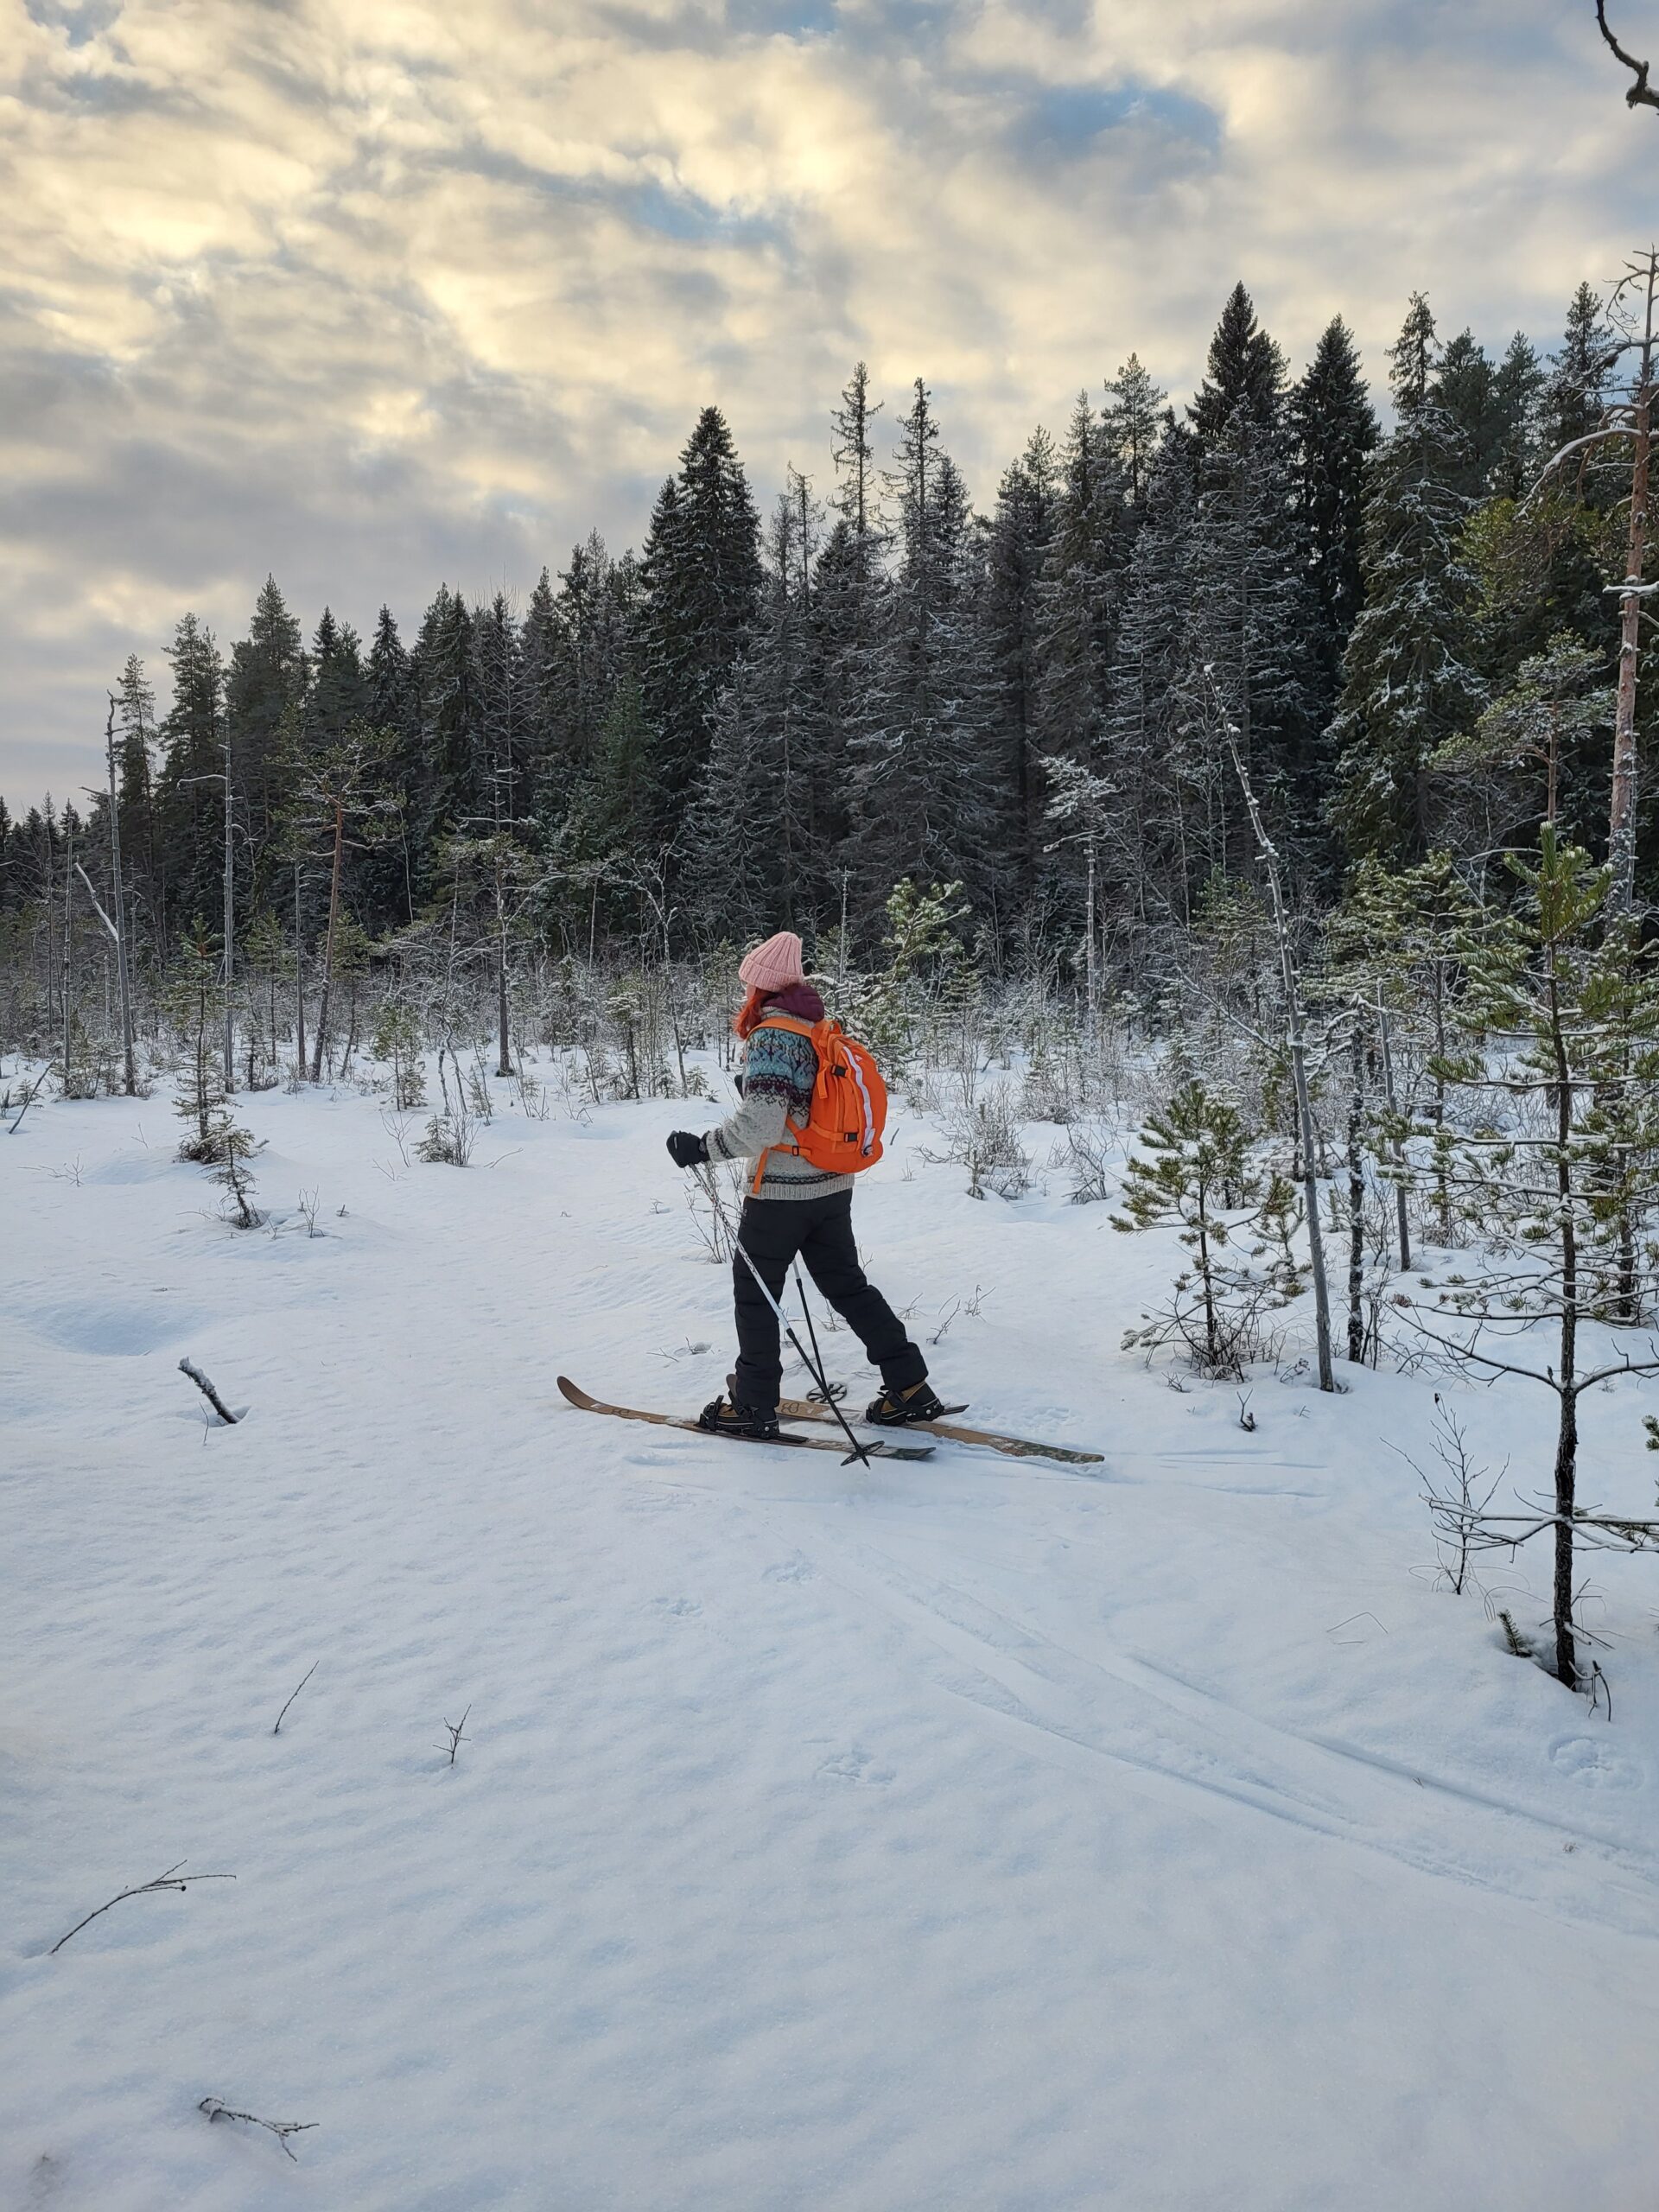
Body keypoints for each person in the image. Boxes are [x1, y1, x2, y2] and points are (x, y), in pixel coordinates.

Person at [665, 929, 945, 1439]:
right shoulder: (818, 1028)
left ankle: (753, 1407)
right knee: (847, 1285)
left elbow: (760, 1127)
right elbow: (800, 1106)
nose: (745, 991)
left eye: (748, 983)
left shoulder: (772, 1035)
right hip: (832, 1186)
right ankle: (909, 1386)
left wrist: (701, 1148)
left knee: (756, 1294)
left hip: (781, 1195)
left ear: (762, 986)